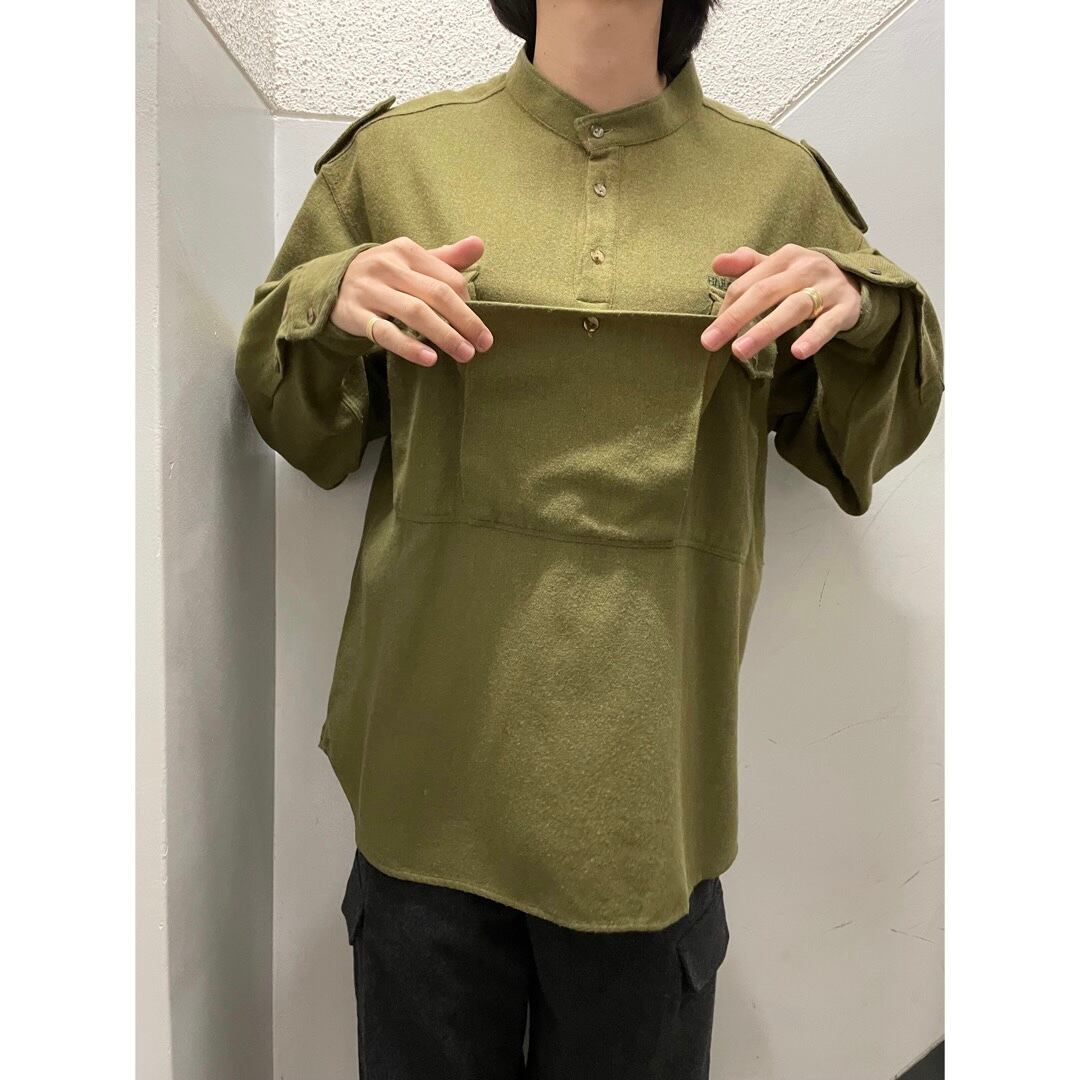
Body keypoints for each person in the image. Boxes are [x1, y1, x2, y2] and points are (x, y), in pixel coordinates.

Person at [234, 0, 944, 1076]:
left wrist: (869, 306)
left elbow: (863, 442)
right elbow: (301, 426)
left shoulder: (779, 184)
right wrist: (329, 297)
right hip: (426, 785)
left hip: (647, 809)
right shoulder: (397, 160)